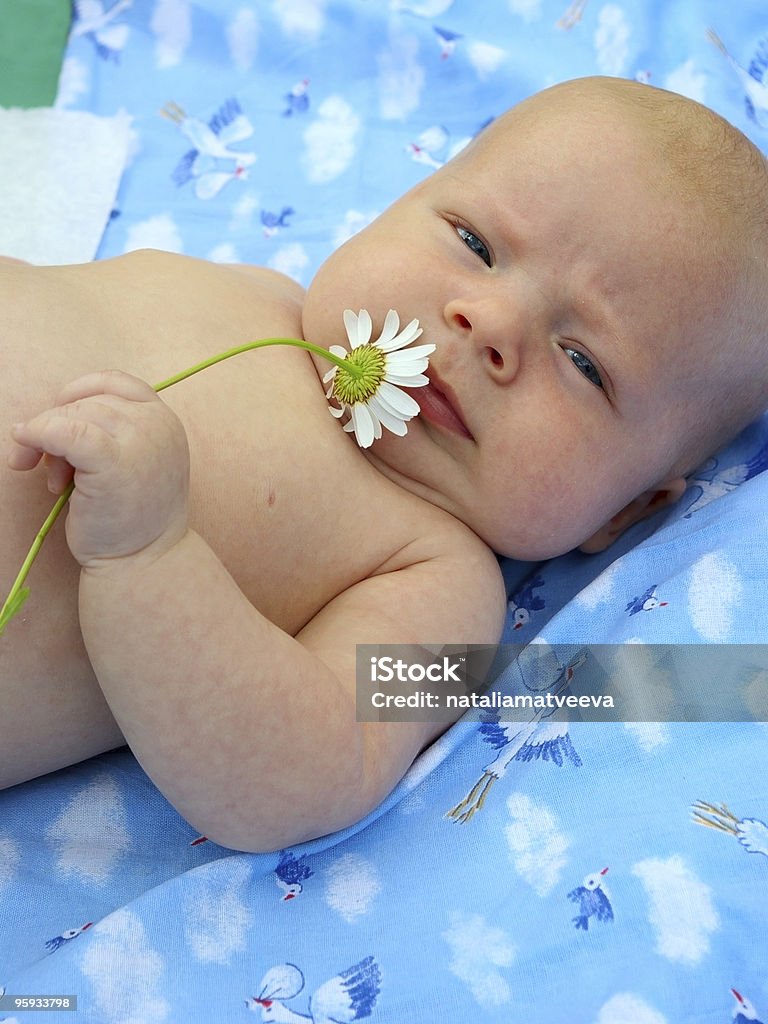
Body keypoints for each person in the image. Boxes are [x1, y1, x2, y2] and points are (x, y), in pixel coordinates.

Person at [2, 76, 766, 851]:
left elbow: (302, 775)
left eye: (582, 362)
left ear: (624, 511)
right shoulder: (255, 294)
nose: (490, 321)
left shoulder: (444, 589)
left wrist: (148, 555)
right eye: (475, 243)